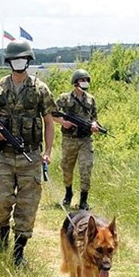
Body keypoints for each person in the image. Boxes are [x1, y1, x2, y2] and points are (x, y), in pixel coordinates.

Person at [0, 39, 56, 267]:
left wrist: (48, 151)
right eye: (15, 59)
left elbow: (49, 122)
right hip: (3, 155)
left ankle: (19, 251)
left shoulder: (40, 89)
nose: (19, 63)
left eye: (23, 59)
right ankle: (2, 229)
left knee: (27, 205)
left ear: (29, 61)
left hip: (30, 156)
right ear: (9, 62)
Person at [54, 69, 100, 210]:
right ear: (75, 82)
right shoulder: (64, 98)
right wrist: (63, 123)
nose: (85, 82)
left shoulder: (90, 99)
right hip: (69, 139)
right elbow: (51, 114)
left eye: (86, 80)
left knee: (86, 167)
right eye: (82, 80)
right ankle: (68, 194)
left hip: (85, 139)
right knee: (67, 168)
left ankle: (83, 200)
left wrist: (94, 125)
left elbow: (95, 118)